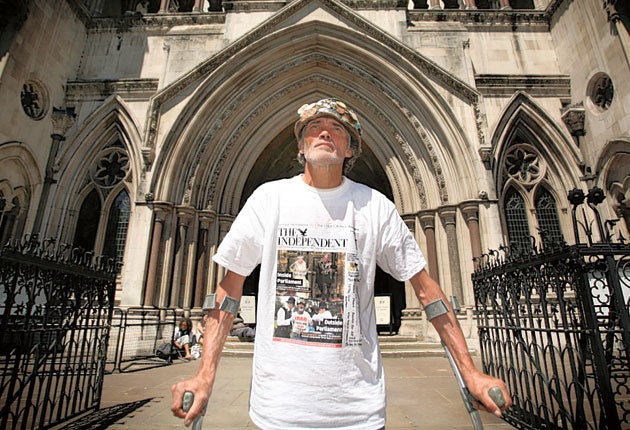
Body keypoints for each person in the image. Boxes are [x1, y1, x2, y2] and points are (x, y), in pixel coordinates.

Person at [171, 97, 512, 429]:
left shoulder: (375, 207)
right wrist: (204, 374)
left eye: (337, 128)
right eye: (314, 127)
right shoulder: (268, 200)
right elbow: (228, 290)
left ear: (350, 149)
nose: (324, 132)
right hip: (279, 408)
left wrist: (470, 371)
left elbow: (427, 291)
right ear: (301, 148)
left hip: (357, 410)